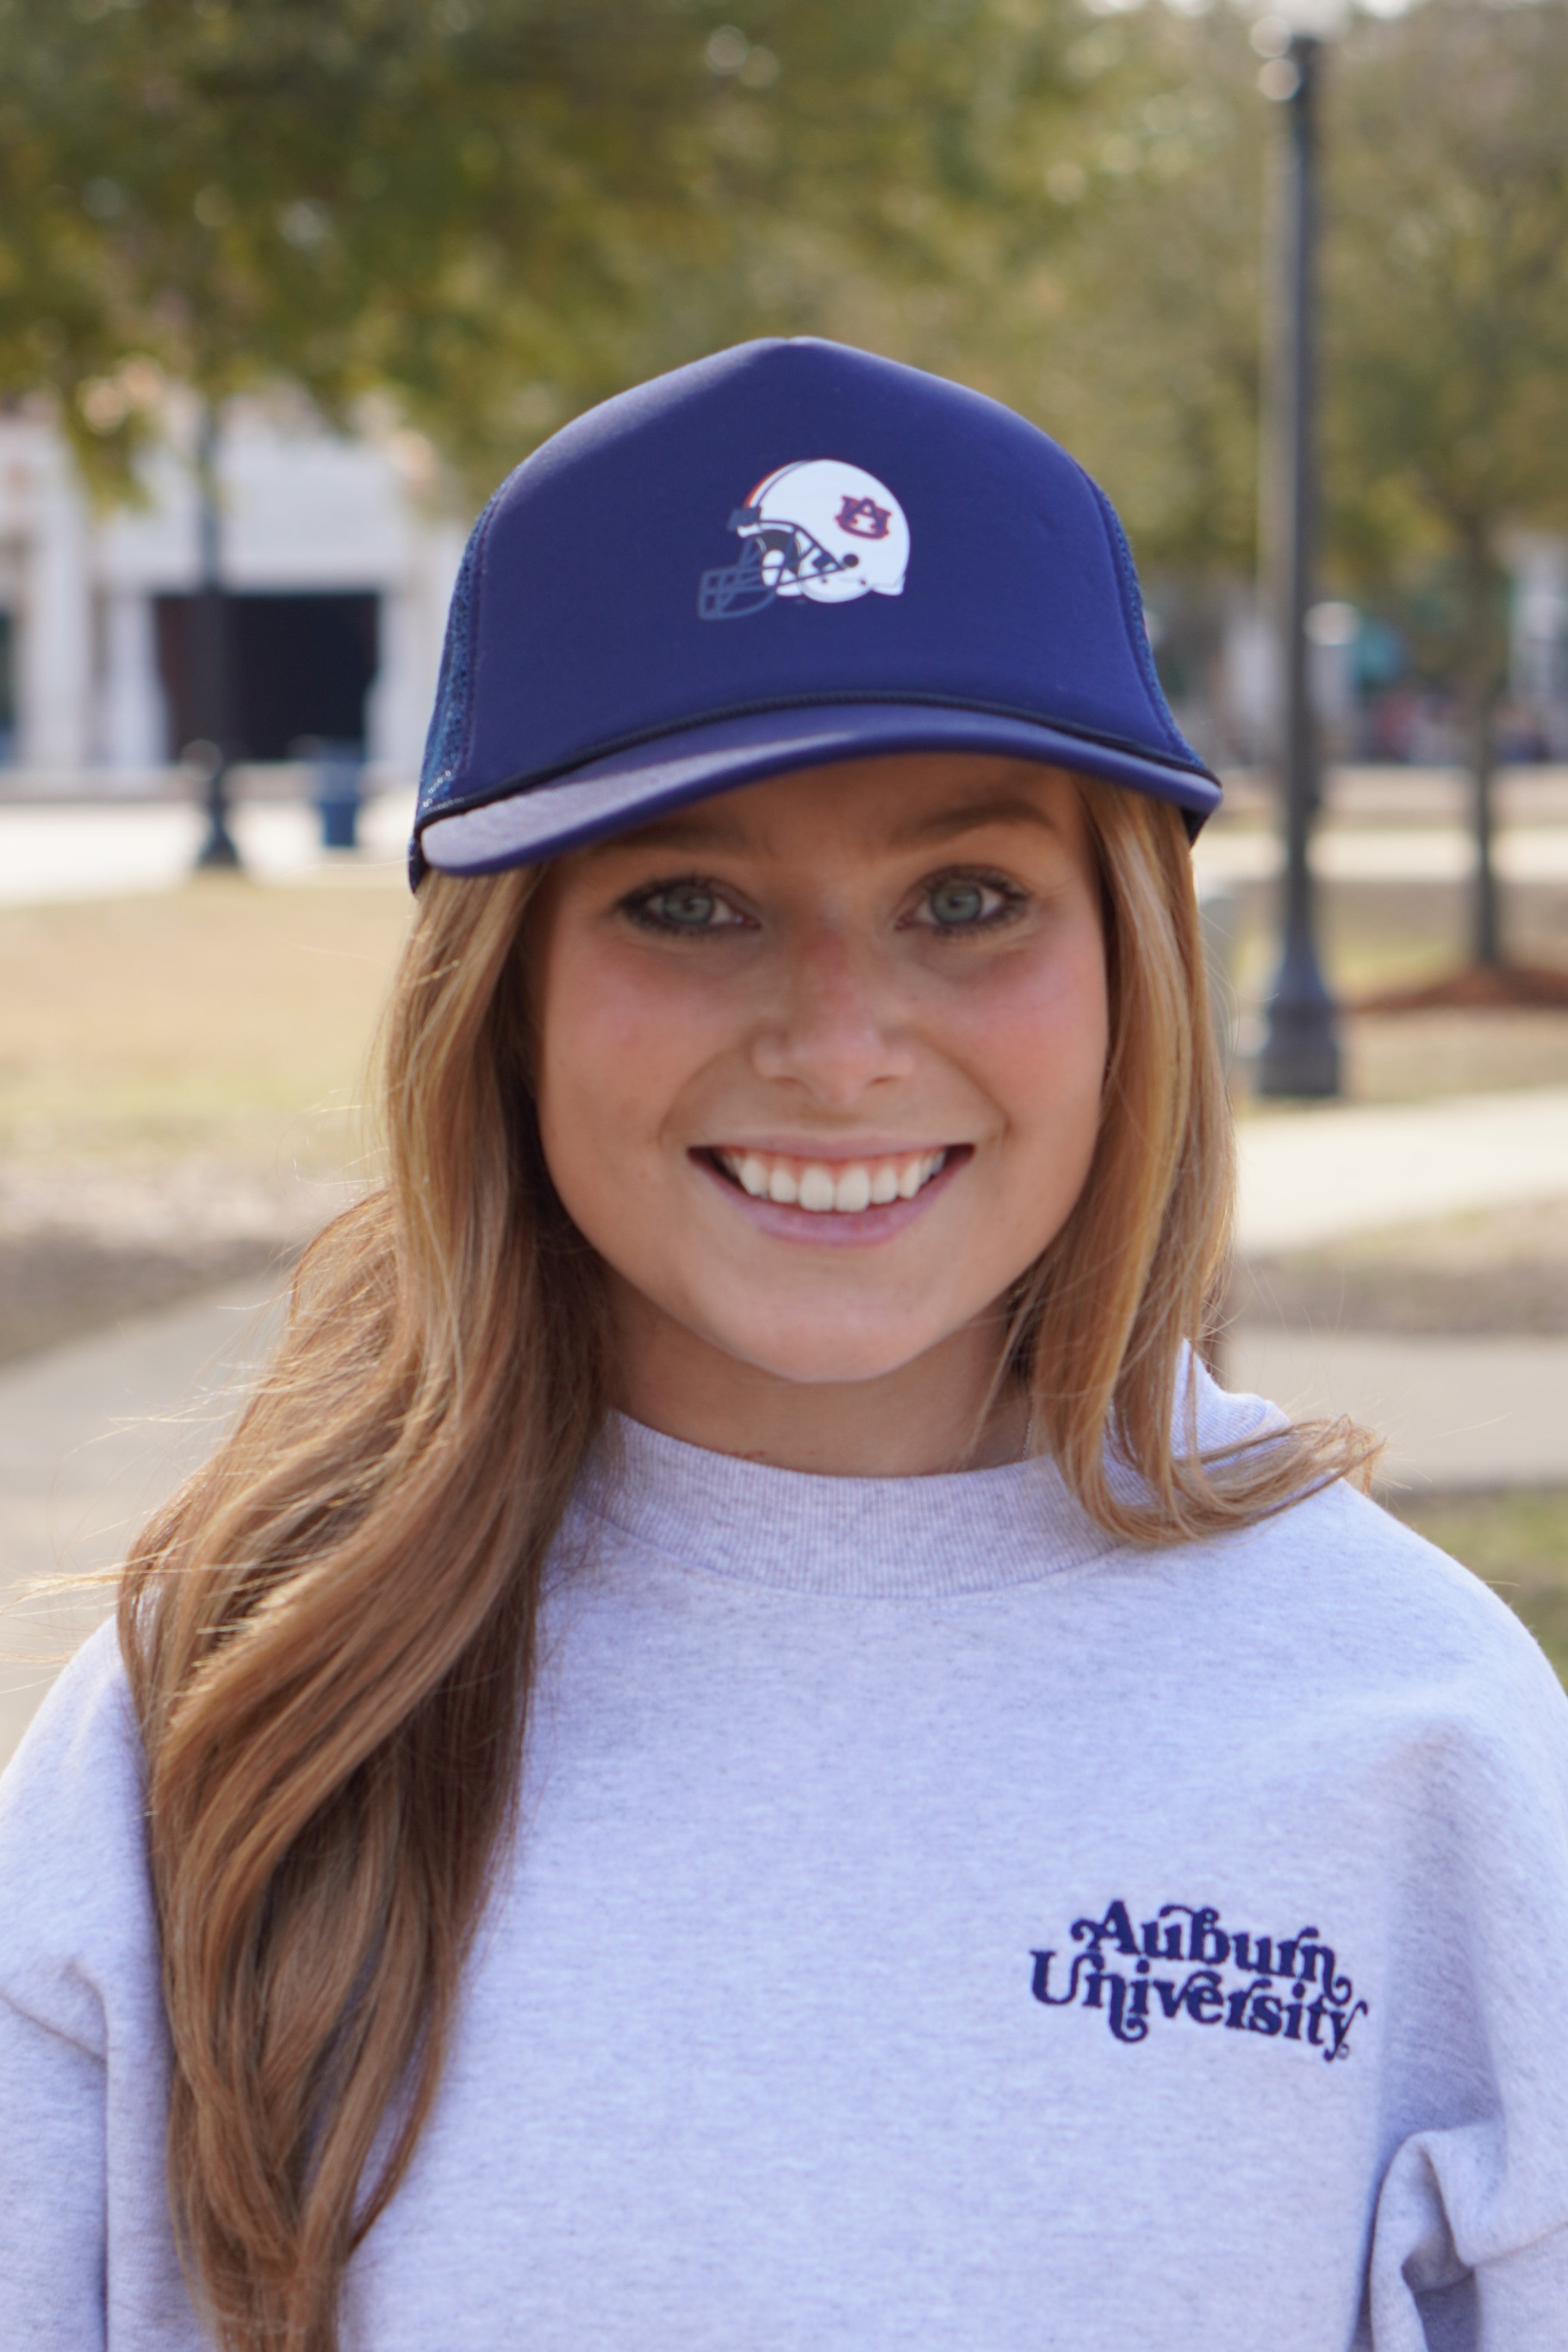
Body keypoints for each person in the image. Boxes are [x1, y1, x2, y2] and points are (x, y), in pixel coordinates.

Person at [2, 339, 1566, 2352]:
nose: (838, 1041)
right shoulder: (225, 1714)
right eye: (687, 905)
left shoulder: (1413, 1737)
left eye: (968, 896)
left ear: (1129, 973)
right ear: (506, 998)